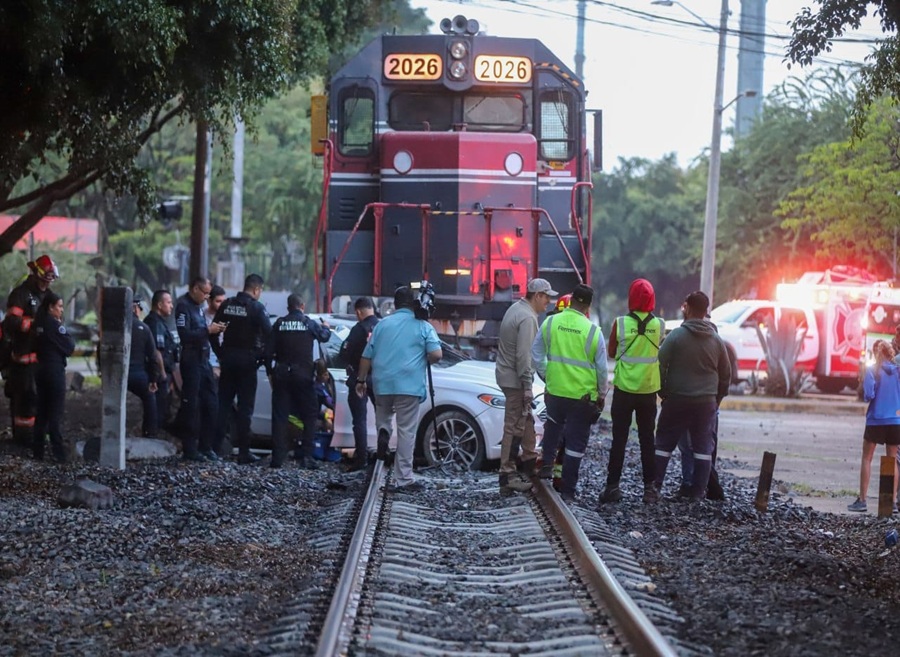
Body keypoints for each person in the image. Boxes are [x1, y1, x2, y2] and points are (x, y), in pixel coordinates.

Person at [356, 286, 442, 492]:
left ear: (394, 305)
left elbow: (366, 356)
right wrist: (426, 357)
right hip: (409, 386)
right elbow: (437, 354)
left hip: (382, 384)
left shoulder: (381, 325)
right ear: (413, 303)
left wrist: (361, 381)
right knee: (406, 431)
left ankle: (384, 430)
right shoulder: (423, 325)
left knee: (384, 416)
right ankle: (403, 478)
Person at [651, 291, 731, 502]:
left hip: (676, 399)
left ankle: (654, 488)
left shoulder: (676, 336)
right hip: (706, 403)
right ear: (706, 312)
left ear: (686, 308)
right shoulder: (716, 340)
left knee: (663, 444)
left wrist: (663, 390)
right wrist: (716, 399)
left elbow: (659, 363)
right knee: (703, 448)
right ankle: (697, 494)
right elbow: (726, 374)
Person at [532, 283, 608, 502]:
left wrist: (548, 376)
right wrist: (601, 395)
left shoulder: (551, 322)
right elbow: (602, 369)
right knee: (575, 442)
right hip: (582, 398)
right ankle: (568, 489)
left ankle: (547, 466)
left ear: (571, 299)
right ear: (589, 306)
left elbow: (536, 353)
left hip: (556, 392)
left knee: (553, 429)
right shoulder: (593, 331)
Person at [600, 278, 665, 505]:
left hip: (624, 390)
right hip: (648, 391)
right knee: (648, 440)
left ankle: (612, 487)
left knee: (619, 439)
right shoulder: (659, 325)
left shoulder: (620, 323)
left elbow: (610, 352)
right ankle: (649, 490)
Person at [495, 278, 557, 496]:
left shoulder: (516, 308)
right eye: (547, 297)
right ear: (537, 295)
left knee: (525, 418)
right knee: (514, 426)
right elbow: (524, 356)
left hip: (507, 376)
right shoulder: (528, 318)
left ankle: (530, 461)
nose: (548, 302)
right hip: (515, 380)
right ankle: (508, 475)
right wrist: (527, 385)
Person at [265, 294, 331, 468]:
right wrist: (326, 327)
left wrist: (271, 372)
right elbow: (324, 337)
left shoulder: (279, 324)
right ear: (302, 306)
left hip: (282, 375)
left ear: (288, 308)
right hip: (303, 376)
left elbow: (267, 352)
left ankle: (277, 458)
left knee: (280, 416)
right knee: (309, 415)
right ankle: (307, 457)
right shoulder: (308, 323)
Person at [213, 275, 271, 464]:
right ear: (256, 290)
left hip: (228, 359)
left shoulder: (227, 304)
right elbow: (270, 337)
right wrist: (260, 359)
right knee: (246, 409)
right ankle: (244, 452)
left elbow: (213, 330)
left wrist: (220, 353)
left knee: (223, 405)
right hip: (247, 362)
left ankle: (216, 449)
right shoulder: (256, 308)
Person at [2, 254, 58, 446]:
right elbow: (11, 321)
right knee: (25, 398)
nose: (48, 281)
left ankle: (38, 436)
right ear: (36, 274)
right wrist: (35, 325)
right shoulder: (21, 294)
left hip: (44, 359)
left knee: (44, 397)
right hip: (23, 359)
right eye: (46, 276)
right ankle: (23, 439)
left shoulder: (48, 297)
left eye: (51, 277)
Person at [172, 277, 225, 462]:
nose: (206, 297)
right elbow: (185, 335)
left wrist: (214, 332)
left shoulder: (198, 308)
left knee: (211, 404)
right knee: (191, 405)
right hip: (191, 361)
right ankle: (190, 449)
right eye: (204, 293)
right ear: (195, 288)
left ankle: (206, 446)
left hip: (204, 361)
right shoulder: (183, 307)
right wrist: (207, 331)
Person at [848, 339, 900, 512]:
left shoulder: (872, 371)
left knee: (867, 458)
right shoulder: (898, 372)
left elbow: (868, 395)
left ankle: (862, 501)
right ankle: (891, 502)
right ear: (890, 353)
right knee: (892, 460)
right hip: (895, 421)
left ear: (875, 353)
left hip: (876, 420)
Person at [339, 296, 380, 471]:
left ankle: (361, 460)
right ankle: (382, 457)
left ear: (358, 312)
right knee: (383, 419)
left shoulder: (358, 329)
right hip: (381, 379)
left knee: (359, 421)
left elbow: (343, 353)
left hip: (359, 379)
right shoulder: (383, 327)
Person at [32, 291, 75, 462]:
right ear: (50, 307)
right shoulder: (54, 325)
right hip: (54, 371)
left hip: (40, 370)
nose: (61, 310)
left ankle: (38, 452)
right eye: (59, 306)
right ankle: (59, 455)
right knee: (55, 413)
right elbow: (70, 346)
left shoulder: (38, 324)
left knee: (41, 413)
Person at [143, 290, 179, 432]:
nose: (171, 306)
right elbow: (157, 351)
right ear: (159, 304)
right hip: (158, 375)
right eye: (168, 302)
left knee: (162, 408)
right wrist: (163, 375)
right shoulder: (154, 323)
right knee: (158, 409)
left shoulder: (159, 322)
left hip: (162, 374)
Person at [127, 297, 161, 438]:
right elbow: (153, 357)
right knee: (149, 398)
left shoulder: (115, 328)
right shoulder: (144, 329)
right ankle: (149, 433)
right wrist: (153, 379)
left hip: (118, 374)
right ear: (135, 308)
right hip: (138, 374)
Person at [205, 285, 226, 380]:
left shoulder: (228, 316)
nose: (221, 305)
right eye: (218, 301)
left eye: (223, 301)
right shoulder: (201, 316)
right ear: (209, 301)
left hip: (224, 360)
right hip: (208, 361)